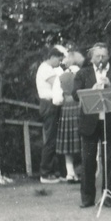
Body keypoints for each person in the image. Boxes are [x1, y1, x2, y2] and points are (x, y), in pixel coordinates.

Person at [74, 42, 111, 208]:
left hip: (109, 121)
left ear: (108, 56)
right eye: (97, 56)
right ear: (91, 57)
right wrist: (91, 89)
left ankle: (109, 196)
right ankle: (87, 198)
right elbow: (76, 94)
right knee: (88, 160)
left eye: (104, 55)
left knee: (110, 160)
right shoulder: (83, 73)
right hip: (90, 121)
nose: (101, 59)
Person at [35, 44, 67, 182]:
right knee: (50, 139)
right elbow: (58, 84)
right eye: (59, 60)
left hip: (52, 104)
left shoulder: (49, 68)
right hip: (48, 104)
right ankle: (45, 173)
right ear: (52, 57)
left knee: (55, 138)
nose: (59, 63)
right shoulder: (45, 69)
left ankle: (53, 170)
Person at [51, 50, 84, 183]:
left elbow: (56, 100)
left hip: (66, 108)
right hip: (82, 107)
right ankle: (88, 172)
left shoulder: (61, 77)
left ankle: (70, 173)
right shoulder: (83, 74)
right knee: (84, 141)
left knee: (67, 143)